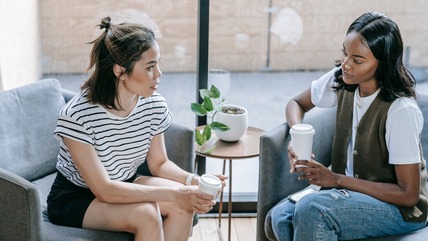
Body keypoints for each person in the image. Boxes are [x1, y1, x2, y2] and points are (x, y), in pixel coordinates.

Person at [47, 16, 227, 241]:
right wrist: (177, 192)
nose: (159, 73)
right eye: (150, 66)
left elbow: (159, 163)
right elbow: (104, 190)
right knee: (147, 215)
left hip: (125, 180)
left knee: (182, 207)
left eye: (158, 63)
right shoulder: (77, 115)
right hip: (76, 196)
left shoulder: (153, 104)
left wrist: (194, 181)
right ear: (120, 71)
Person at [271, 12, 428, 240]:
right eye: (345, 53)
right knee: (279, 217)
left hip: (398, 209)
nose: (346, 65)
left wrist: (335, 179)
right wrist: (297, 135)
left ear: (382, 63)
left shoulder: (400, 110)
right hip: (345, 193)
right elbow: (296, 103)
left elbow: (408, 195)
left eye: (357, 60)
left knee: (312, 210)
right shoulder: (342, 80)